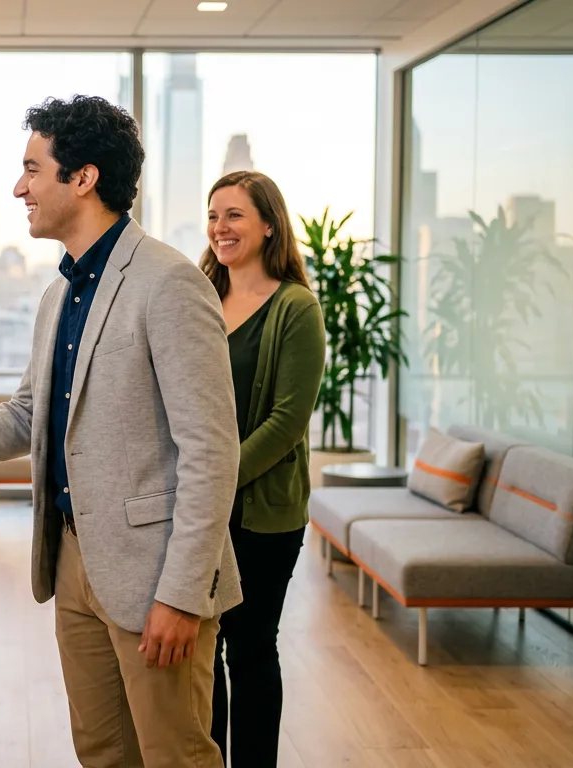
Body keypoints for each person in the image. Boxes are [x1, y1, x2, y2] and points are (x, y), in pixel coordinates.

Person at [0, 96, 241, 768]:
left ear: (83, 178)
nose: (19, 188)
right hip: (74, 562)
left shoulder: (169, 283)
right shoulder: (58, 296)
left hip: (155, 575)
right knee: (101, 750)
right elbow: (28, 415)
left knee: (175, 755)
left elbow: (212, 454)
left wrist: (183, 595)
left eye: (32, 169)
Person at [201, 171, 326, 767]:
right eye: (213, 215)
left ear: (269, 224)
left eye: (234, 215)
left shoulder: (295, 307)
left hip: (260, 516)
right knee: (202, 653)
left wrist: (217, 480)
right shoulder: (200, 294)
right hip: (199, 508)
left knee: (249, 650)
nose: (219, 228)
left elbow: (286, 422)